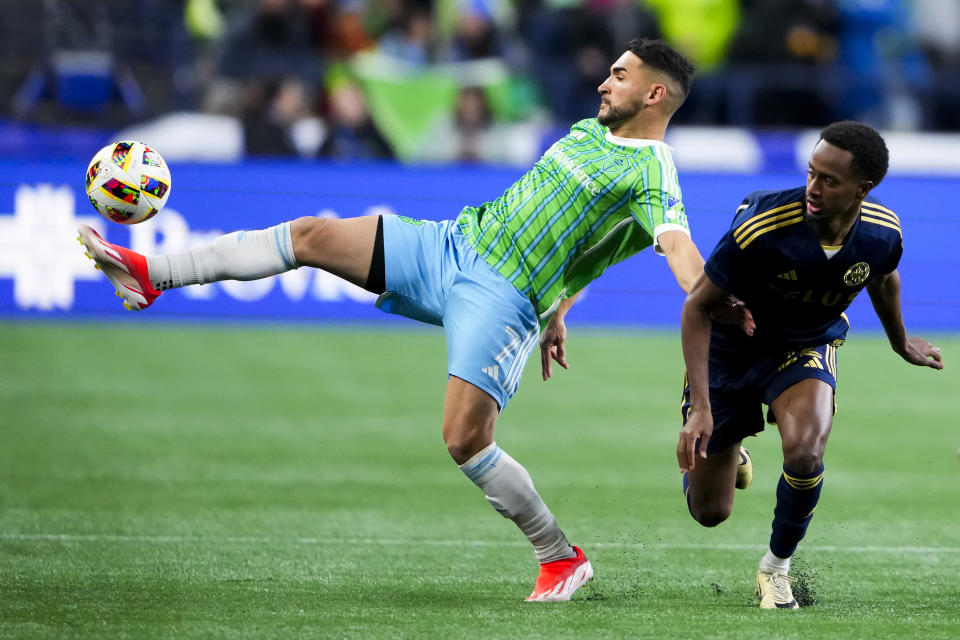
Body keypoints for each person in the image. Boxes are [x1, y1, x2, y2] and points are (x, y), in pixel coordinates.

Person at [80, 38, 706, 603]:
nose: (604, 82)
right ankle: (151, 274)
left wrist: (706, 294)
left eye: (620, 76)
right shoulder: (587, 132)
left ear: (654, 94)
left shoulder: (654, 170)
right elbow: (592, 242)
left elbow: (671, 243)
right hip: (453, 245)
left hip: (505, 299)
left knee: (464, 439)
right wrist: (565, 308)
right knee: (312, 235)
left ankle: (559, 557)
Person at [676, 120, 944, 609]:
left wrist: (900, 342)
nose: (813, 189)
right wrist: (700, 409)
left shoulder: (882, 233)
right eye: (811, 173)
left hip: (804, 346)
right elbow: (697, 306)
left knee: (805, 453)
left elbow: (884, 280)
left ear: (863, 189)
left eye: (829, 180)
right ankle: (729, 449)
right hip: (731, 350)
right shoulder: (763, 225)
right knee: (709, 512)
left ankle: (775, 569)